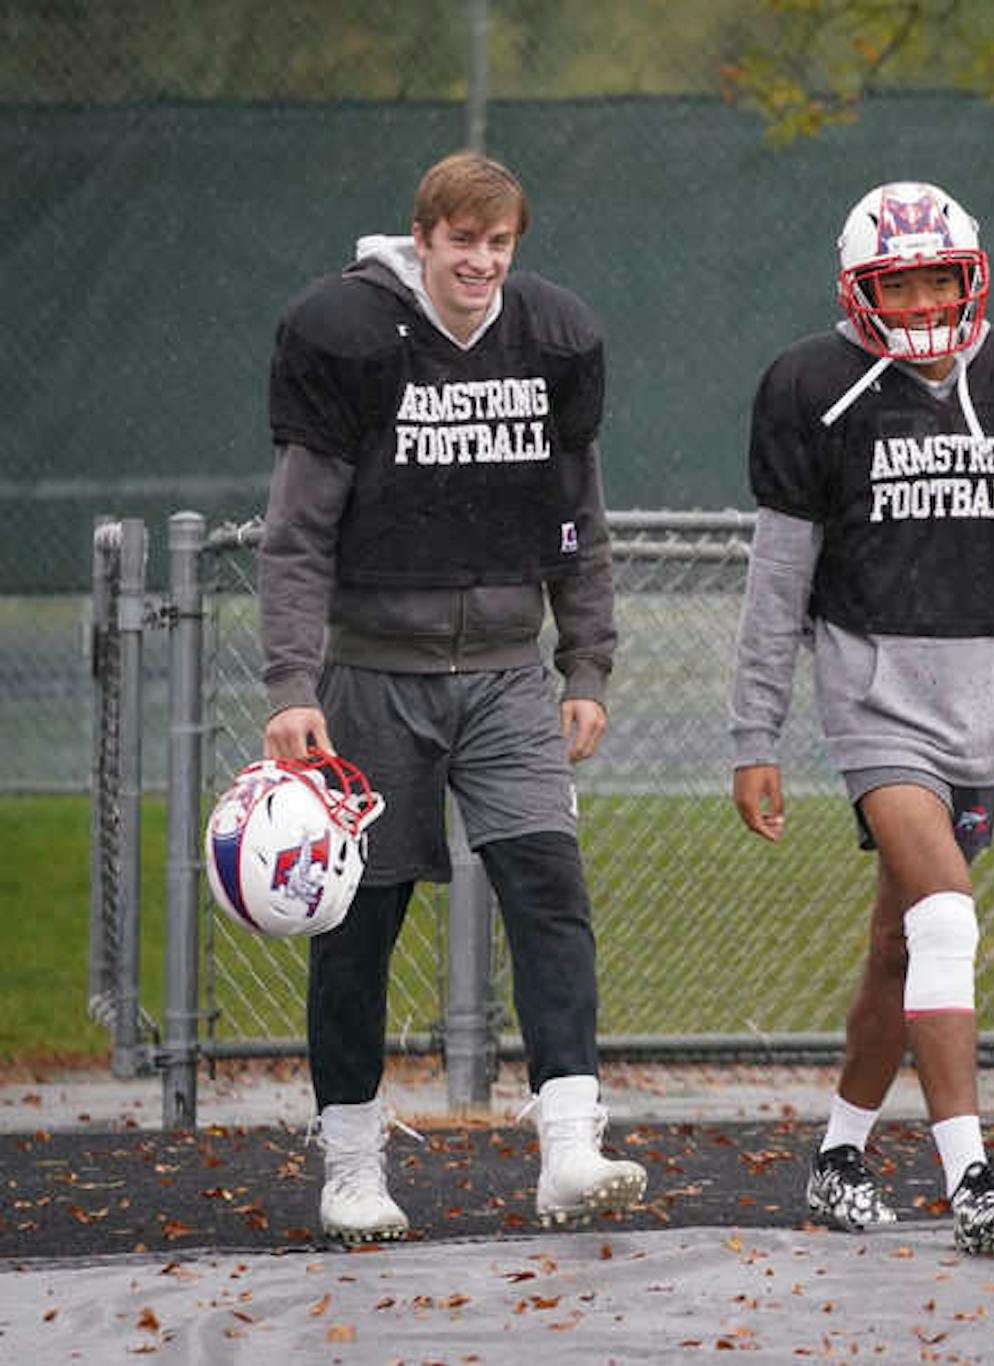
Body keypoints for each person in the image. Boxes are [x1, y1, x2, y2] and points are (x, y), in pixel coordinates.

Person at [260, 150, 646, 1243]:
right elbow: (295, 536)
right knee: (359, 919)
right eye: (461, 241)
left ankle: (570, 1144)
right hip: (375, 675)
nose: (480, 261)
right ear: (422, 238)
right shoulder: (348, 336)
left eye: (499, 244)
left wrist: (587, 665)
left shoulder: (552, 338)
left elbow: (582, 520)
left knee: (548, 888)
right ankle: (350, 1163)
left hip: (506, 677)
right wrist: (293, 681)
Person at [728, 181, 994, 1256]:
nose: (928, 297)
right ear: (861, 293)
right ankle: (971, 1176)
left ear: (972, 274)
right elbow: (776, 582)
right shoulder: (816, 386)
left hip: (979, 700)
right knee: (946, 914)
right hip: (873, 696)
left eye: (941, 275)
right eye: (902, 281)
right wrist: (756, 736)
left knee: (900, 949)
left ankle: (839, 1154)